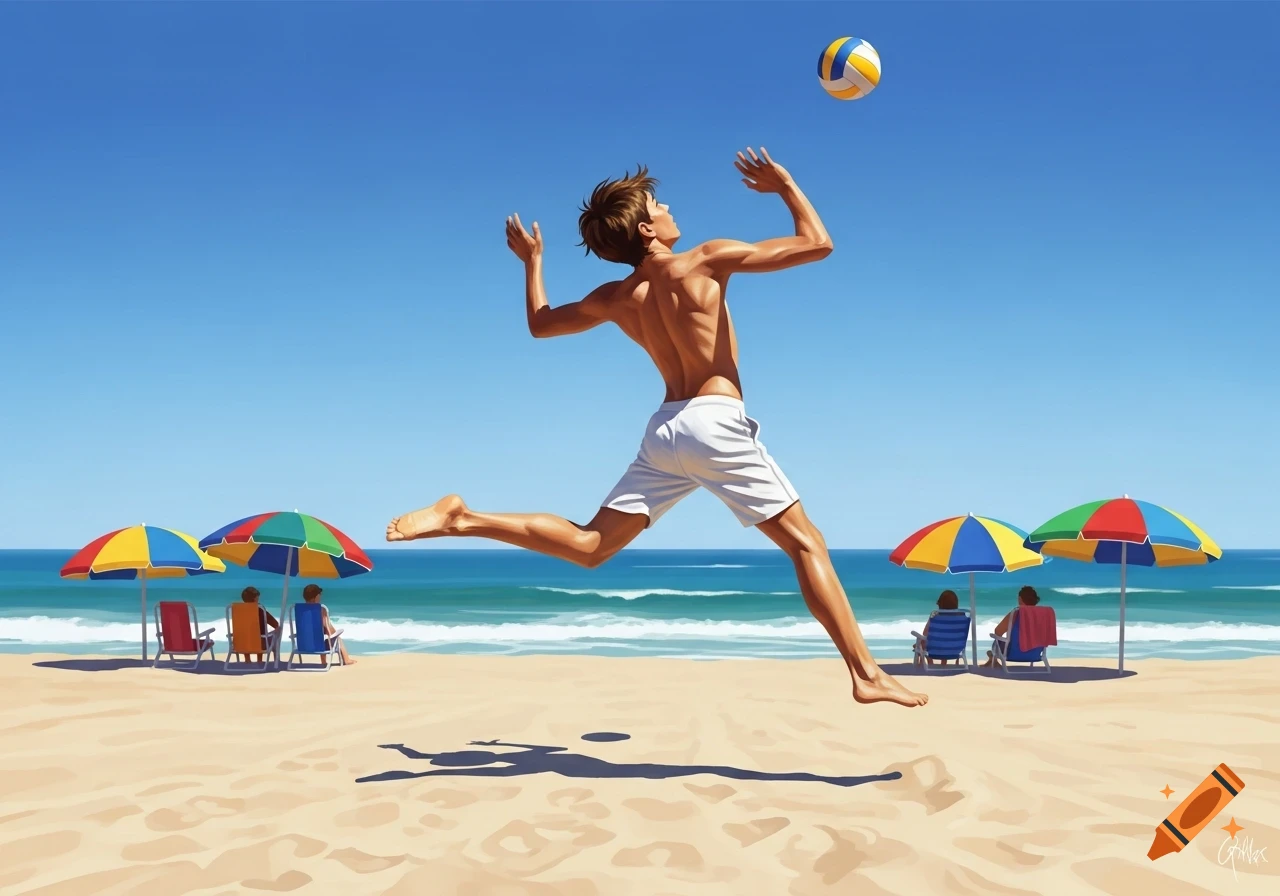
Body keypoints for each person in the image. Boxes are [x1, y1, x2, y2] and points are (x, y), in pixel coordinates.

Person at [387, 147, 925, 708]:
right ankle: (865, 672)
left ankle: (463, 517)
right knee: (806, 544)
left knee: (592, 546)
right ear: (649, 228)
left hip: (665, 430)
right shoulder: (706, 259)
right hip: (715, 422)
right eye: (658, 203)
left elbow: (540, 325)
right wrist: (786, 185)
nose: (668, 207)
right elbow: (817, 244)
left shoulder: (618, 297)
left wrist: (533, 262)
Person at [982, 585, 1042, 667]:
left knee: (996, 642)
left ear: (1020, 599)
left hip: (1014, 654)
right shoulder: (1042, 615)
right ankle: (992, 658)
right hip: (1035, 654)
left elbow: (998, 631)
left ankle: (992, 657)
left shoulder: (1016, 613)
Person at [303, 583, 355, 666]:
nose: (320, 596)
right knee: (338, 639)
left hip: (303, 644)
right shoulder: (321, 609)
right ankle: (346, 660)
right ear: (316, 596)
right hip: (319, 646)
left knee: (318, 638)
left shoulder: (299, 610)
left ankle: (323, 662)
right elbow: (327, 627)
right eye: (319, 594)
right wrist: (334, 635)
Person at [919, 590, 962, 667]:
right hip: (954, 648)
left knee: (922, 641)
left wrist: (931, 618)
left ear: (940, 603)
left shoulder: (935, 616)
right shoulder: (961, 617)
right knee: (946, 640)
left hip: (936, 648)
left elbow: (925, 633)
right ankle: (943, 664)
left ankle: (930, 662)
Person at [238, 586, 279, 664]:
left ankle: (247, 659)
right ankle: (259, 660)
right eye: (257, 598)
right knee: (262, 635)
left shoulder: (239, 611)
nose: (258, 600)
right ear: (254, 599)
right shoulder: (260, 609)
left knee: (246, 635)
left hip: (241, 644)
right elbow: (275, 624)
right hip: (260, 644)